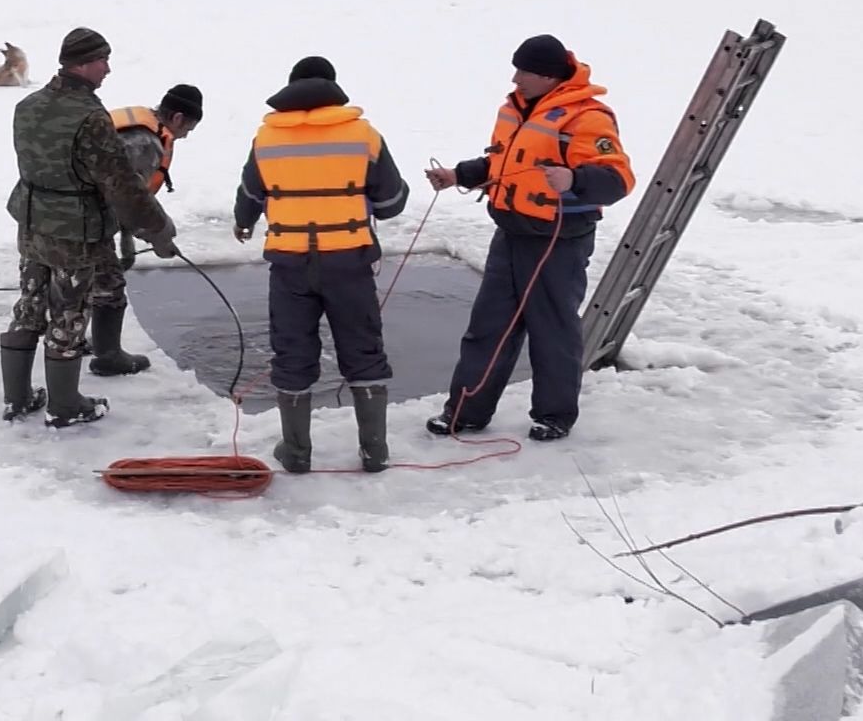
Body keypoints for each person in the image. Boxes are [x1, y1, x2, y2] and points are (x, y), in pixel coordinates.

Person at [423, 34, 635, 443]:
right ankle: (465, 411)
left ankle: (554, 415)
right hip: (512, 233)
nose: (516, 78)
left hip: (559, 241)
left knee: (553, 330)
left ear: (550, 77)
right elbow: (503, 163)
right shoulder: (514, 109)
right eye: (516, 69)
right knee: (488, 327)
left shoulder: (588, 118)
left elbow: (618, 179)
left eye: (525, 72)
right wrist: (458, 176)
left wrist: (575, 178)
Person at [233, 56, 409, 473]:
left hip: (290, 263)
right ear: (332, 88)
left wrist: (243, 222)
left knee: (292, 351)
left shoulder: (266, 139)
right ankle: (374, 451)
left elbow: (249, 196)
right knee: (363, 349)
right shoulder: (363, 135)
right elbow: (389, 202)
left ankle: (296, 453)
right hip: (349, 260)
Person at [0, 27, 179, 426]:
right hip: (75, 231)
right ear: (84, 62)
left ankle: (18, 398)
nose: (108, 69)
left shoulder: (27, 105)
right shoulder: (90, 118)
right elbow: (121, 185)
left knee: (29, 304)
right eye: (103, 60)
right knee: (68, 312)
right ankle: (64, 407)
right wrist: (158, 229)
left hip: (32, 224)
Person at [102, 83, 204, 371]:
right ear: (178, 118)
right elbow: (131, 198)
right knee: (107, 283)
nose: (184, 137)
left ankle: (86, 342)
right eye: (188, 129)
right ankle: (107, 356)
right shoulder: (145, 144)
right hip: (85, 217)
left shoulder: (141, 126)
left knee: (91, 279)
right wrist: (161, 237)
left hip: (74, 210)